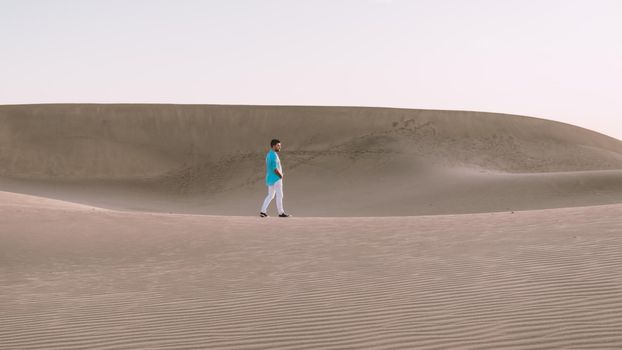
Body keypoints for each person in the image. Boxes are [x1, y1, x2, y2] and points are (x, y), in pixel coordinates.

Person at [260, 139, 291, 217]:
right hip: (276, 178)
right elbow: (274, 168)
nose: (280, 147)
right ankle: (281, 213)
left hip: (270, 178)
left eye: (280, 145)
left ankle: (263, 211)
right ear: (273, 146)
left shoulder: (269, 154)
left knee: (270, 195)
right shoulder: (273, 155)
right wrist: (280, 175)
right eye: (278, 145)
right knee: (280, 195)